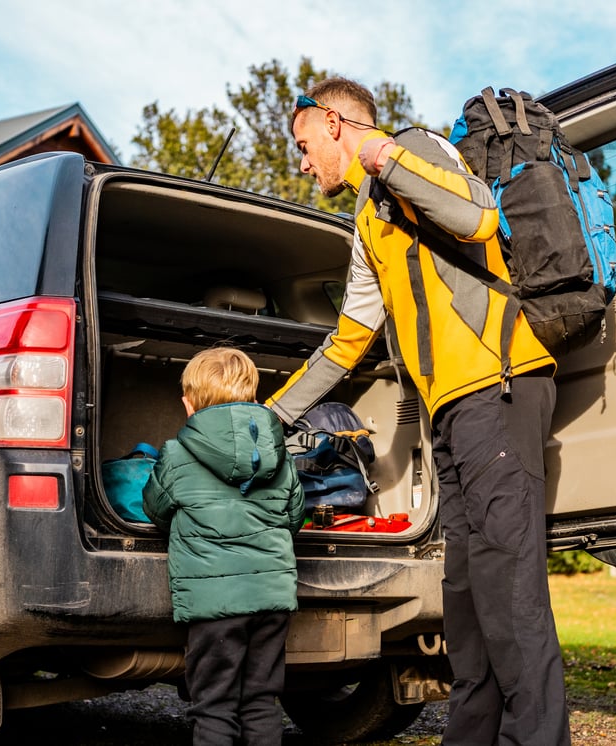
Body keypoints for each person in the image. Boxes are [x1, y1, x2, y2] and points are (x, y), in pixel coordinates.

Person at [266, 78, 571, 745]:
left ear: (334, 122)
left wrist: (381, 155)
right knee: (464, 596)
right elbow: (349, 339)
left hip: (500, 384)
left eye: (304, 143)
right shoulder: (369, 215)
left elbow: (478, 216)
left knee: (510, 590)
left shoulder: (410, 148)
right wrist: (270, 414)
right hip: (453, 413)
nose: (302, 160)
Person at [144, 346, 305, 745]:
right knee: (261, 700)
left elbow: (155, 509)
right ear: (254, 398)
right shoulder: (279, 455)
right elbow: (294, 516)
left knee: (214, 704)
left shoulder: (178, 454)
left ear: (188, 404)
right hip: (271, 601)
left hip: (214, 605)